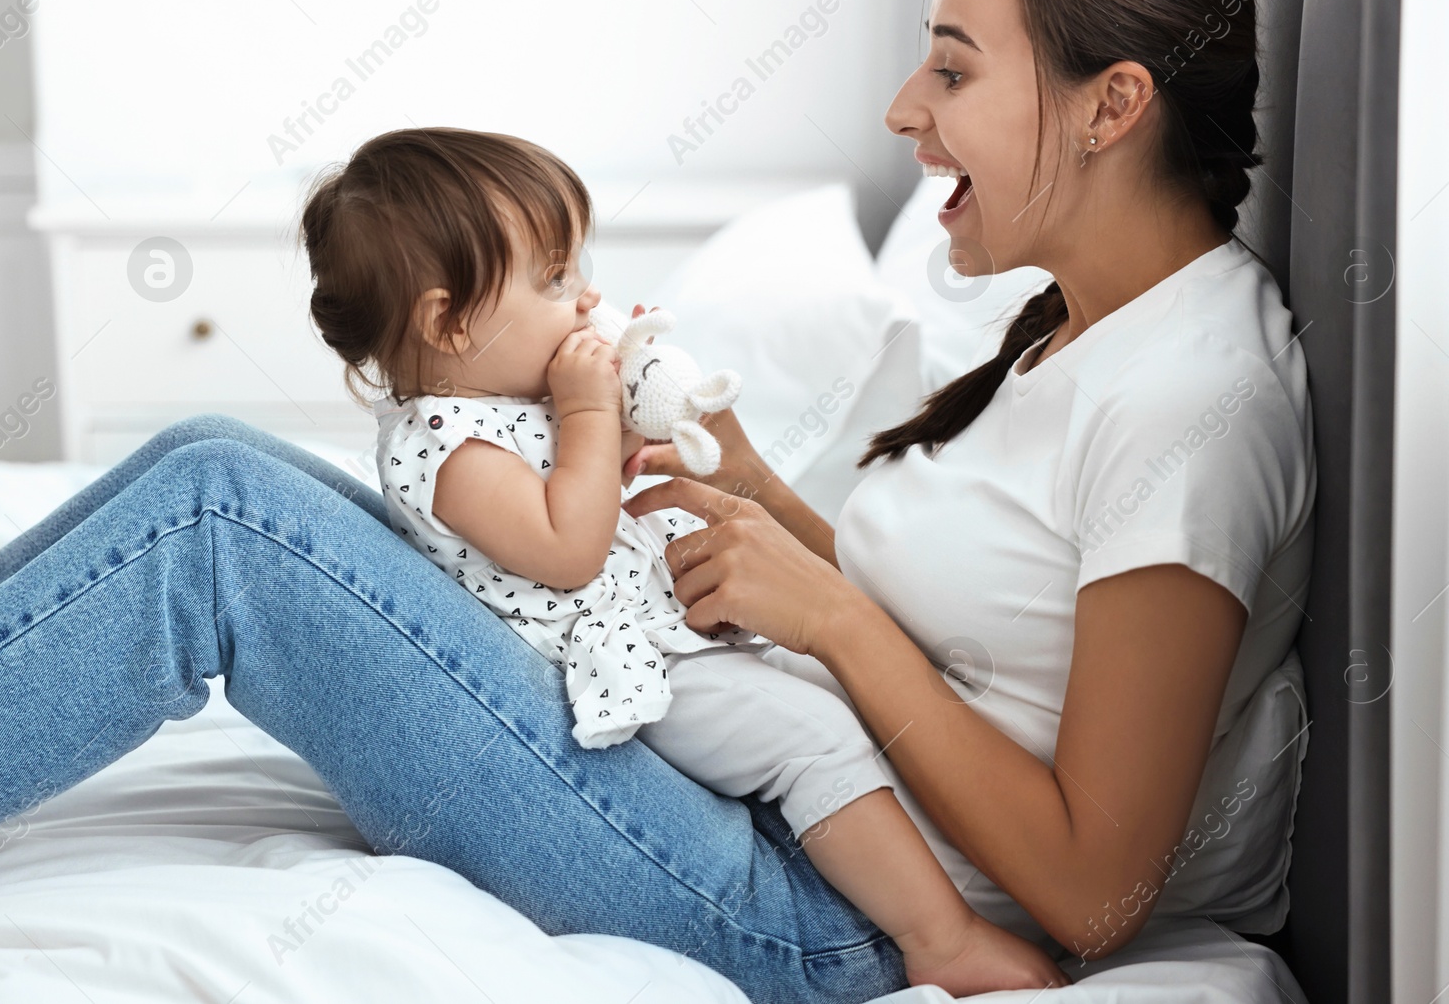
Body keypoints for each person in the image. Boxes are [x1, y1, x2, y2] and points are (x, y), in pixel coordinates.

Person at [0, 0, 1313, 1002]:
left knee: (216, 526)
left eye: (953, 72)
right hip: (743, 781)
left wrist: (828, 616)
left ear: (1113, 105)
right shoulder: (1073, 327)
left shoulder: (1194, 401)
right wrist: (754, 499)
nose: (909, 105)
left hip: (805, 895)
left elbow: (1097, 893)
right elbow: (964, 633)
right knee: (214, 462)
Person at [306, 126, 1067, 993]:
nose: (585, 297)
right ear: (449, 322)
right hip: (614, 663)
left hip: (665, 627)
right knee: (812, 743)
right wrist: (589, 416)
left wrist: (623, 419)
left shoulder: (502, 400)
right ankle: (942, 937)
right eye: (554, 280)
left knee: (829, 696)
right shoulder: (445, 445)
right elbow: (566, 550)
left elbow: (585, 489)